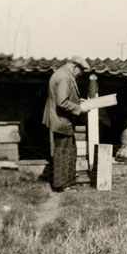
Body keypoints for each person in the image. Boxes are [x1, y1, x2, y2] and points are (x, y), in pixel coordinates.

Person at [42, 55, 91, 192]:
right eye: (81, 71)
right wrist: (79, 108)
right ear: (75, 66)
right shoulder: (64, 77)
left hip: (61, 120)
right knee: (64, 152)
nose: (80, 74)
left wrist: (79, 101)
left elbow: (65, 97)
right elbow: (62, 102)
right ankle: (62, 185)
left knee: (68, 151)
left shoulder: (62, 73)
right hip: (61, 121)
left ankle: (67, 183)